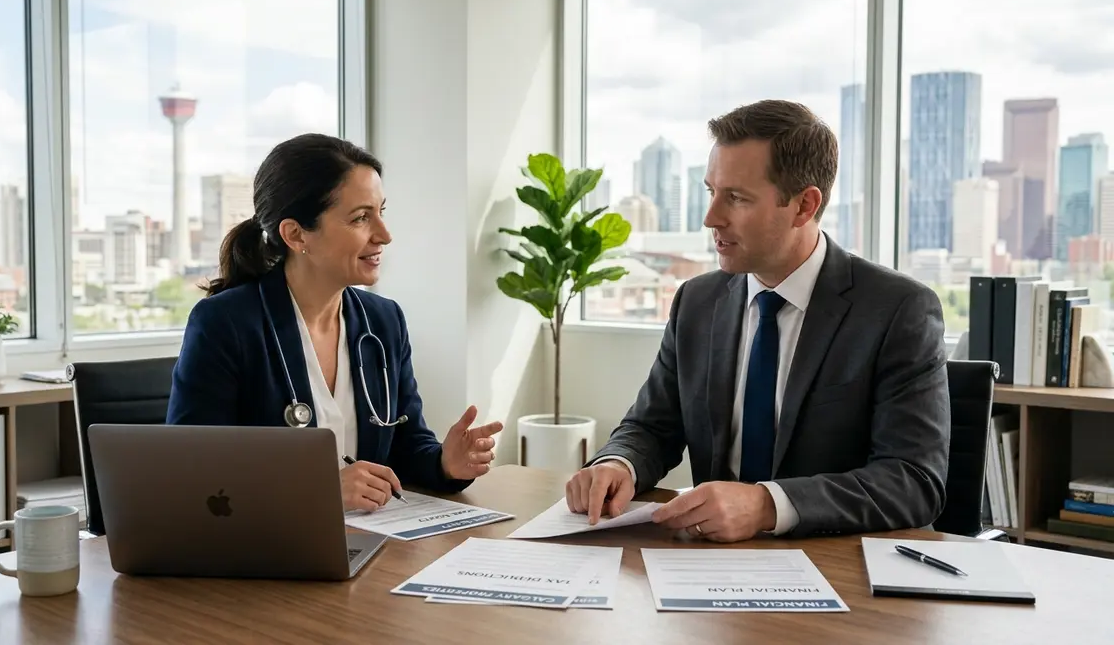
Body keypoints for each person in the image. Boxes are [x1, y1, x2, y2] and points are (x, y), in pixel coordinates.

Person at [565, 99, 950, 542]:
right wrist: (619, 463)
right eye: (711, 191)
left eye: (736, 198)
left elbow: (913, 481)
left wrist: (767, 505)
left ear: (804, 205)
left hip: (835, 563)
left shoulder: (898, 310)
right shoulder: (697, 301)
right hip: (710, 561)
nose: (711, 218)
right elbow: (652, 427)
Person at [166, 133, 502, 513]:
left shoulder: (384, 321)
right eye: (361, 218)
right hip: (268, 543)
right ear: (296, 234)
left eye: (381, 212)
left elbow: (406, 447)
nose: (385, 235)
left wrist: (445, 463)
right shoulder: (225, 323)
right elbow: (194, 474)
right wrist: (317, 490)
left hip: (371, 538)